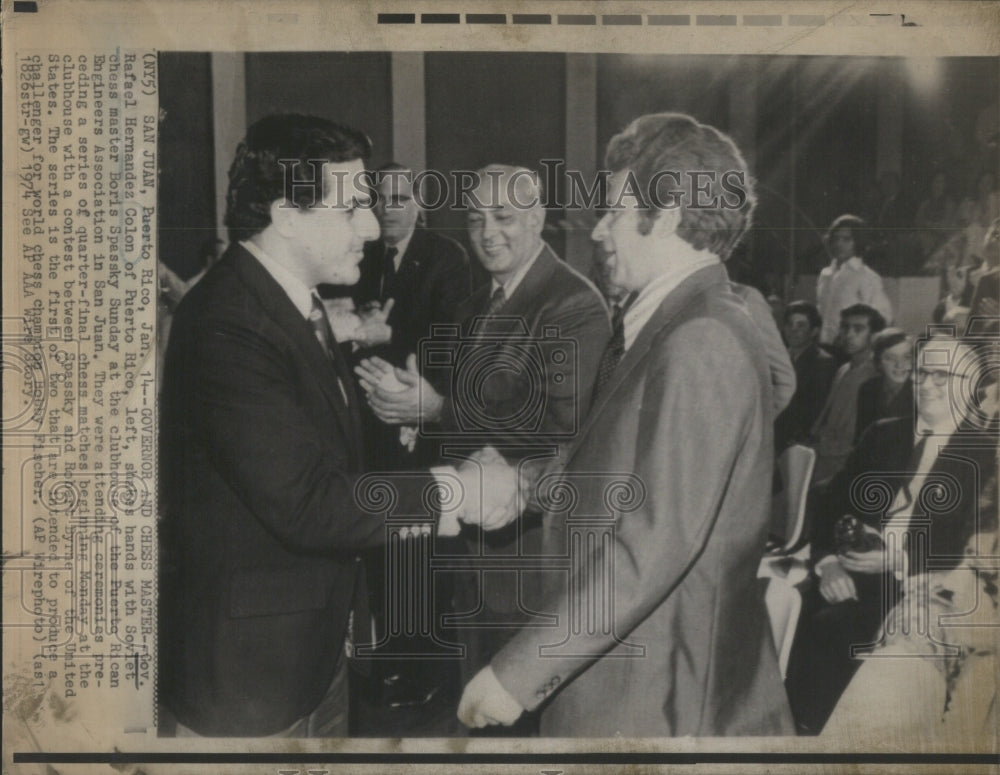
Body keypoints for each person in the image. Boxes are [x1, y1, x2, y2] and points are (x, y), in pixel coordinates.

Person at [158, 114, 512, 737]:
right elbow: (310, 502)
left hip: (311, 656)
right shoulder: (226, 323)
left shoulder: (293, 301)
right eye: (350, 210)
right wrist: (457, 490)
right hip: (251, 682)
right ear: (287, 216)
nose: (373, 228)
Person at [454, 113, 794, 736]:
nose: (600, 232)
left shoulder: (701, 339)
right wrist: (521, 486)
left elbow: (653, 542)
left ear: (664, 217)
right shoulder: (675, 321)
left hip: (659, 699)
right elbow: (618, 469)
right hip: (636, 678)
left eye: (612, 213)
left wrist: (517, 675)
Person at [355, 165, 611, 723]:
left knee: (524, 716)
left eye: (505, 217)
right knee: (480, 711)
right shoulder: (473, 307)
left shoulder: (572, 303)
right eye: (475, 218)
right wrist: (413, 409)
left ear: (538, 218)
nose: (488, 231)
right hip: (473, 548)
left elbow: (567, 435)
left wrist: (437, 409)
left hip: (531, 554)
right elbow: (467, 413)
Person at [786, 335, 997, 734]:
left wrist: (898, 559)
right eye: (921, 372)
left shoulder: (985, 455)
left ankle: (823, 742)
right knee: (786, 607)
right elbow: (832, 503)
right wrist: (829, 563)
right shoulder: (882, 434)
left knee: (832, 629)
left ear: (969, 386)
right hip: (850, 571)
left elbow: (972, 548)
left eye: (942, 374)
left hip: (924, 591)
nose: (926, 383)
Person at [809, 304, 887, 484]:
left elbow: (855, 441)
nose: (849, 334)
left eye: (858, 329)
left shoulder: (873, 376)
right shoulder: (843, 369)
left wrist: (817, 447)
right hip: (820, 454)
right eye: (845, 327)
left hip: (842, 464)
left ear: (873, 336)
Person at [816, 214, 893, 346]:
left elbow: (883, 317)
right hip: (823, 347)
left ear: (858, 242)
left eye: (846, 239)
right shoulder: (825, 274)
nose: (839, 244)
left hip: (850, 348)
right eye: (836, 238)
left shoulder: (866, 276)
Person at [774, 300, 839, 451]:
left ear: (814, 331)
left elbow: (815, 411)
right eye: (789, 324)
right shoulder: (778, 357)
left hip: (798, 443)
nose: (793, 330)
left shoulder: (823, 362)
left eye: (801, 325)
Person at [854, 328, 914, 444]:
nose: (899, 365)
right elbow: (860, 438)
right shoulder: (868, 389)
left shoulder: (920, 392)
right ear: (878, 363)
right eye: (890, 358)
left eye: (906, 357)